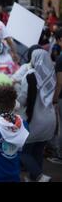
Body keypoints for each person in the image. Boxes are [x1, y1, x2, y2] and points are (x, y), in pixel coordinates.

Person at [18, 49, 57, 181]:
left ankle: (39, 176)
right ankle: (34, 178)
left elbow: (22, 99)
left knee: (23, 153)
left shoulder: (30, 75)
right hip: (50, 120)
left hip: (34, 121)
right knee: (37, 152)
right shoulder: (51, 74)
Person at [50, 29, 62, 164]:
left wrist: (54, 98)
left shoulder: (60, 59)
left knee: (61, 127)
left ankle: (60, 155)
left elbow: (59, 82)